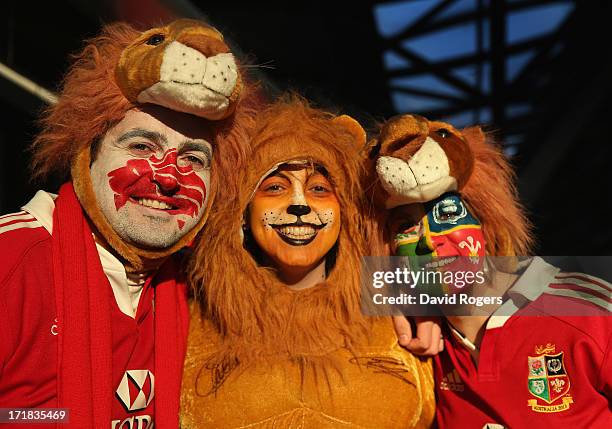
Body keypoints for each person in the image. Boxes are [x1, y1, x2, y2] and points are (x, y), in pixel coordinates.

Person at [0, 19, 257, 429]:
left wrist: (395, 300)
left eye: (193, 159)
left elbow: (326, 267)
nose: (169, 176)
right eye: (141, 146)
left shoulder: (206, 281)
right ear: (87, 155)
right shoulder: (11, 260)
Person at [180, 96, 435, 428]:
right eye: (274, 187)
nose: (299, 203)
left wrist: (442, 302)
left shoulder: (397, 304)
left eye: (318, 189)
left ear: (344, 211)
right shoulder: (185, 309)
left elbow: (518, 294)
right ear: (242, 213)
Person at [369, 114, 611, 428]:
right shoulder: (413, 340)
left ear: (485, 222)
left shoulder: (585, 311)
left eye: (448, 213)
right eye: (405, 226)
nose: (428, 242)